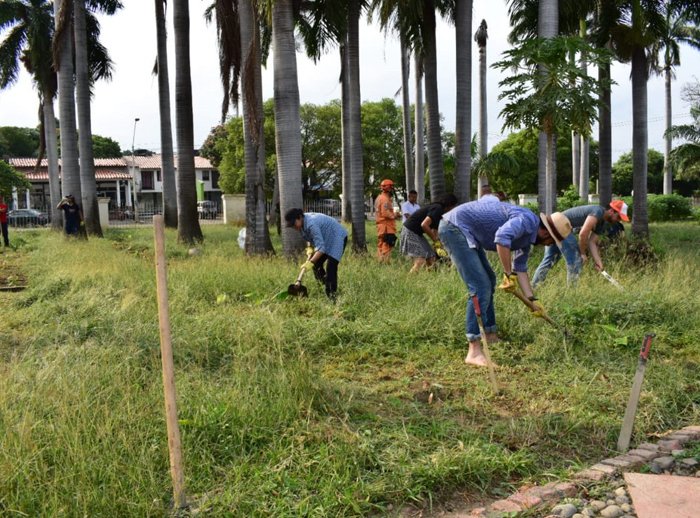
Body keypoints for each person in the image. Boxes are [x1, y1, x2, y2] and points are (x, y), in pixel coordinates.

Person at [438, 196, 572, 367]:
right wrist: (508, 274)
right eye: (550, 241)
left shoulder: (527, 239)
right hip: (455, 227)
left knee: (489, 281)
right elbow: (502, 238)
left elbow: (521, 269)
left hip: (467, 232)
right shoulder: (527, 221)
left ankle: (490, 334)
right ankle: (474, 350)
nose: (546, 245)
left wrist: (532, 300)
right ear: (546, 232)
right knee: (480, 287)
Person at [531, 200, 630, 287]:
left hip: (554, 224)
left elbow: (592, 242)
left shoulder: (602, 223)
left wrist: (598, 261)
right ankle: (572, 295)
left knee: (550, 259)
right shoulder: (598, 211)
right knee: (575, 261)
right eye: (618, 217)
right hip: (561, 225)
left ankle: (534, 287)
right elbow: (583, 234)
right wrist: (582, 253)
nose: (618, 221)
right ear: (612, 211)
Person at [285, 208, 348, 300]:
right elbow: (310, 237)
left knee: (331, 267)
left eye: (294, 224)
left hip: (337, 237)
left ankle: (332, 297)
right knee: (317, 265)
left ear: (299, 218)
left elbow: (321, 249)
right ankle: (325, 285)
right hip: (325, 239)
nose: (294, 227)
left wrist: (310, 262)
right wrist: (310, 248)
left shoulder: (311, 223)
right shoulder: (301, 224)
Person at [399, 193, 457, 272]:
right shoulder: (438, 208)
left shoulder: (441, 213)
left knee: (431, 257)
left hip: (417, 233)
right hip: (410, 231)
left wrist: (437, 245)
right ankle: (409, 280)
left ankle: (431, 277)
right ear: (450, 204)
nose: (452, 209)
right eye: (453, 206)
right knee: (421, 260)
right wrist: (435, 240)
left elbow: (434, 230)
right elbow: (424, 225)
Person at [375, 179, 400, 262]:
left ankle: (380, 261)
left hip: (381, 226)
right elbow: (385, 213)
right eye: (392, 187)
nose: (393, 189)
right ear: (389, 188)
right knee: (387, 244)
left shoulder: (380, 197)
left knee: (381, 244)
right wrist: (394, 215)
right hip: (386, 226)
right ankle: (386, 262)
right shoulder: (384, 199)